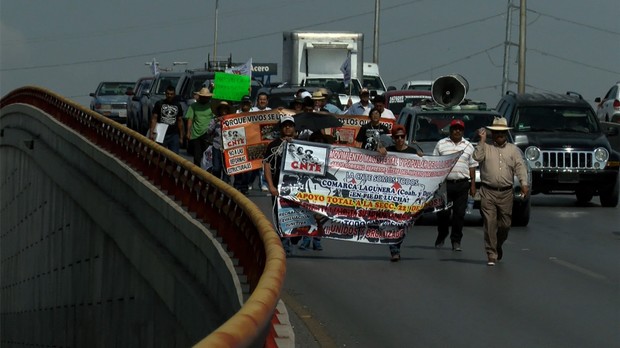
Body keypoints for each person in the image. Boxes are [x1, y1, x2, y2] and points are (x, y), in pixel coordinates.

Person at [473, 117, 529, 266]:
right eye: (496, 132)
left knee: (505, 224)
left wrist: (524, 184)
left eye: (502, 132)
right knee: (490, 222)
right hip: (488, 191)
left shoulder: (513, 150)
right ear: (492, 133)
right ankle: (491, 253)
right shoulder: (486, 147)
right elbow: (476, 157)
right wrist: (482, 140)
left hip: (505, 193)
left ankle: (498, 244)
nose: (499, 135)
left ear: (506, 133)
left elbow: (520, 167)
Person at [432, 119, 478, 252]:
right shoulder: (441, 144)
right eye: (454, 128)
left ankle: (456, 240)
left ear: (463, 131)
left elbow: (472, 166)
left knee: (459, 214)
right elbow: (435, 164)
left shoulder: (468, 146)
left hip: (462, 185)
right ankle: (442, 234)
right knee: (443, 214)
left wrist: (473, 185)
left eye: (460, 129)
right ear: (450, 130)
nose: (457, 131)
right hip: (445, 185)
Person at [383, 124, 423, 261]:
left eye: (402, 137)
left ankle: (397, 244)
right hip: (391, 194)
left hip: (407, 195)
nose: (400, 139)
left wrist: (421, 158)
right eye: (397, 137)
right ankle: (394, 249)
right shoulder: (388, 151)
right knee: (392, 222)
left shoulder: (412, 152)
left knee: (403, 223)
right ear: (393, 138)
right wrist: (379, 151)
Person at [263, 115, 297, 256]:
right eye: (285, 125)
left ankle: (294, 238)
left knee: (295, 215)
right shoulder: (273, 145)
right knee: (280, 214)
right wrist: (271, 186)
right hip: (278, 186)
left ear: (294, 128)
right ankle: (284, 244)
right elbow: (267, 164)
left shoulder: (300, 145)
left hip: (296, 188)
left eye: (290, 125)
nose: (287, 127)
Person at [149, 85, 184, 154]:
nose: (169, 96)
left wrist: (181, 137)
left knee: (174, 156)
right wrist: (151, 132)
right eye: (168, 94)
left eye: (171, 94)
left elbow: (180, 121)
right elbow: (154, 118)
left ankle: (171, 165)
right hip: (161, 133)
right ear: (165, 94)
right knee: (159, 154)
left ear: (174, 94)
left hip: (174, 134)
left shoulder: (178, 105)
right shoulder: (159, 103)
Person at [185, 87, 215, 166]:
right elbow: (190, 119)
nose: (205, 99)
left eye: (206, 97)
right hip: (196, 134)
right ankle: (196, 175)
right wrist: (188, 132)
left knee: (207, 157)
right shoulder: (193, 106)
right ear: (200, 97)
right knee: (197, 157)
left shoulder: (211, 106)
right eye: (203, 97)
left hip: (207, 135)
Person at [251, 92, 272, 191]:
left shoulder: (271, 111)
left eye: (264, 99)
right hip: (254, 141)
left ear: (267, 101)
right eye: (260, 99)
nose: (262, 101)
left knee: (265, 163)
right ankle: (250, 182)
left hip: (266, 141)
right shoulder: (252, 111)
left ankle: (264, 182)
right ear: (257, 101)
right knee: (254, 164)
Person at [206, 101, 231, 183]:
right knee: (216, 168)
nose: (223, 110)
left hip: (228, 147)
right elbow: (208, 131)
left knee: (226, 169)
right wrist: (216, 120)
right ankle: (215, 184)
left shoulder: (232, 119)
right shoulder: (214, 120)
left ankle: (225, 187)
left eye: (225, 108)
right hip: (217, 146)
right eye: (222, 108)